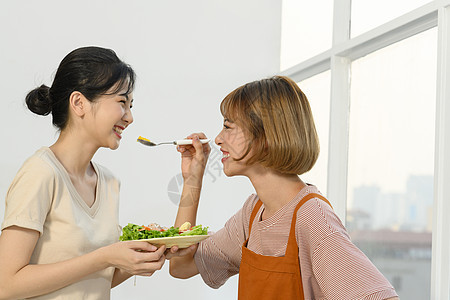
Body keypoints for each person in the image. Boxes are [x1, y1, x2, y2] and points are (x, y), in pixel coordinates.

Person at [167, 76, 399, 299]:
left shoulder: (312, 218)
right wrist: (192, 179)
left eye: (228, 127)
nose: (218, 139)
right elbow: (181, 265)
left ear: (266, 136)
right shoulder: (253, 213)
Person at [0, 46, 166, 300]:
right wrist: (104, 257)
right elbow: (6, 285)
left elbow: (95, 280)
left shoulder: (109, 183)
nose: (129, 117)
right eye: (122, 102)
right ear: (79, 103)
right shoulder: (41, 173)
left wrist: (138, 259)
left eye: (131, 105)